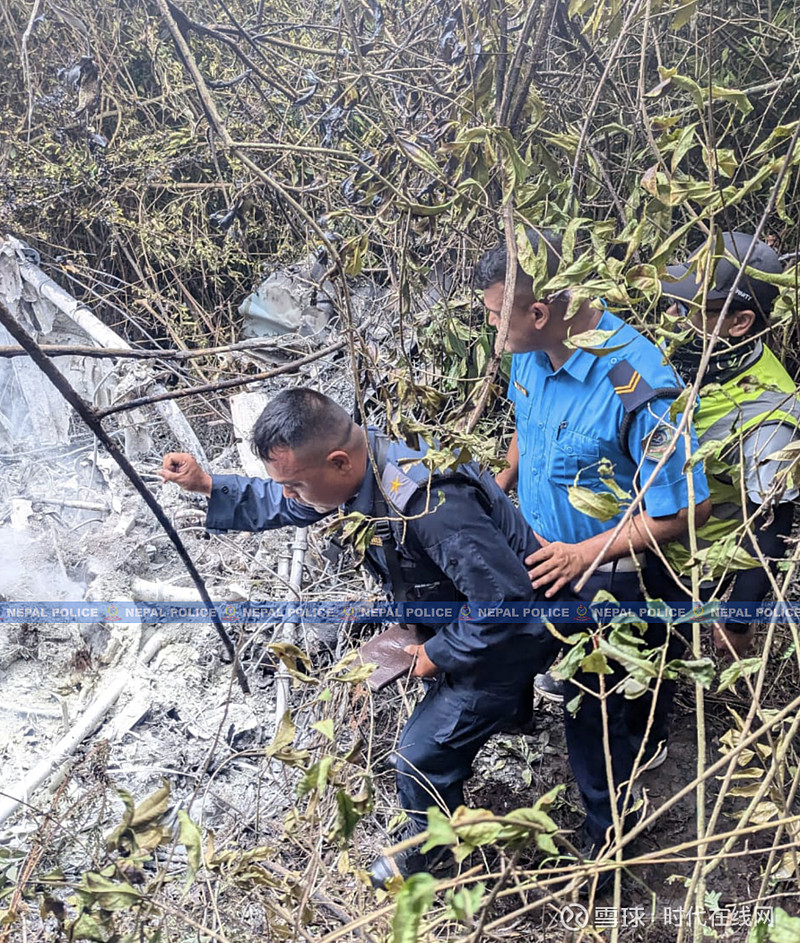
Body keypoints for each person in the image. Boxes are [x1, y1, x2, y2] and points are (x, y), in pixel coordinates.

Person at [158, 387, 560, 887]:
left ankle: (436, 847)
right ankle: (513, 711)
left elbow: (505, 606)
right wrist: (208, 484)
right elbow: (287, 503)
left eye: (297, 484)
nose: (290, 495)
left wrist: (437, 654)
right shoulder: (361, 469)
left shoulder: (428, 503)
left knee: (418, 758)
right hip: (468, 612)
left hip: (513, 631)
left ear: (339, 461)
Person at [474, 229, 711, 853]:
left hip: (621, 569)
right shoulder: (529, 353)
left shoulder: (639, 383)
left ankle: (610, 838)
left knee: (595, 709)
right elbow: (528, 421)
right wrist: (501, 484)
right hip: (546, 549)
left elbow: (688, 506)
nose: (493, 333)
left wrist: (586, 554)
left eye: (498, 318)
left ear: (539, 311)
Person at [652, 231, 800, 657]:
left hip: (684, 564)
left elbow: (772, 523)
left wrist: (738, 619)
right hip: (630, 530)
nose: (674, 315)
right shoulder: (690, 348)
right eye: (675, 301)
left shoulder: (771, 417)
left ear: (740, 322)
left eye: (690, 308)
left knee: (654, 666)